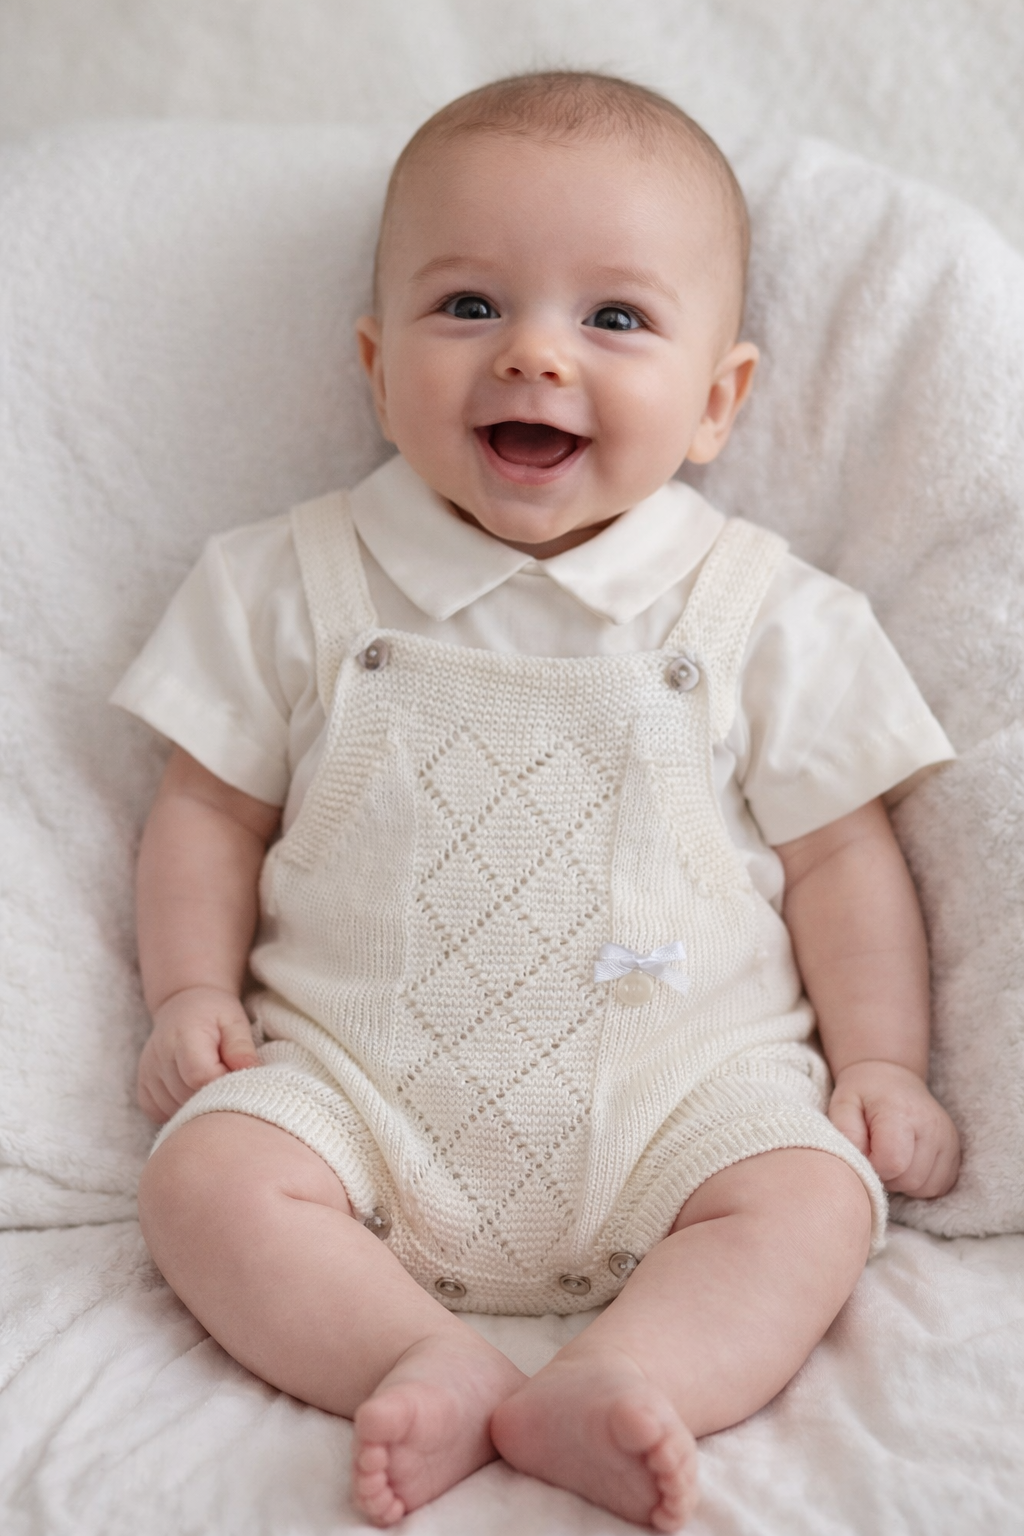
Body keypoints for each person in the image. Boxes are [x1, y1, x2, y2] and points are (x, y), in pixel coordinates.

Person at [115, 71, 961, 1533]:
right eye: (469, 309)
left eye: (613, 319)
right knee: (203, 1177)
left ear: (717, 401)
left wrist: (880, 1063)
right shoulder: (290, 582)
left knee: (814, 1202)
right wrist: (186, 986)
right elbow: (206, 810)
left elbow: (841, 860)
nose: (535, 360)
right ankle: (414, 1355)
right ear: (377, 368)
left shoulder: (765, 612)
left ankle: (625, 1374)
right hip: (357, 1100)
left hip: (683, 1106)